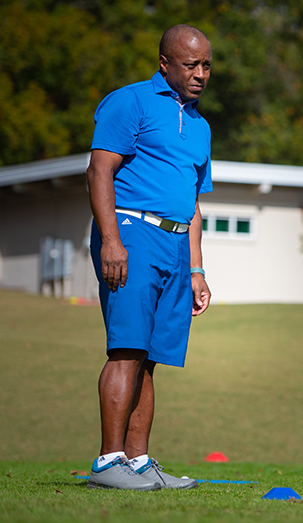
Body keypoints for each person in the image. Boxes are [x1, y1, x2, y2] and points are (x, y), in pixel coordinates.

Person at [85, 25, 214, 490]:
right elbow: (100, 171)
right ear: (164, 63)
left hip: (177, 245)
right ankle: (108, 462)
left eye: (206, 66)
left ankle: (137, 463)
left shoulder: (200, 126)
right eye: (190, 65)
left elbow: (194, 204)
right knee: (126, 350)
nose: (200, 74)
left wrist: (197, 269)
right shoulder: (130, 101)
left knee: (151, 357)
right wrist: (111, 240)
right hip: (132, 232)